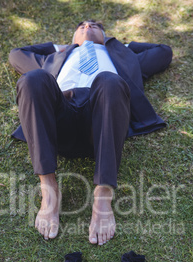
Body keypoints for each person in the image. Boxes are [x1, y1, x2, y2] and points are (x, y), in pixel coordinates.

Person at [9, 19, 172, 245]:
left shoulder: (124, 56)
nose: (87, 27)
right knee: (32, 79)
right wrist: (59, 48)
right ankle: (49, 192)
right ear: (72, 37)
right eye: (81, 26)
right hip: (60, 119)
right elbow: (16, 54)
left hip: (104, 121)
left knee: (109, 80)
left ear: (105, 35)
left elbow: (163, 52)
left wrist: (116, 45)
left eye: (94, 26)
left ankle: (103, 196)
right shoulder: (54, 58)